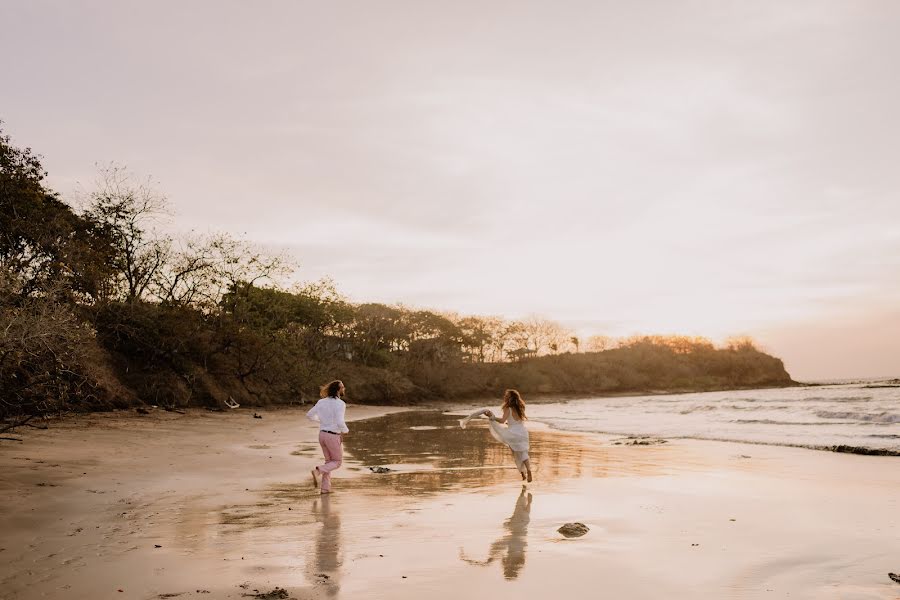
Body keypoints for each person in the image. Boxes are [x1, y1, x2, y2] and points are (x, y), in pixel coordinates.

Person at [460, 389, 533, 482]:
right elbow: (517, 421)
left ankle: (522, 472)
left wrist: (492, 417)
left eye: (506, 395)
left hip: (513, 433)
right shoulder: (521, 407)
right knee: (523, 452)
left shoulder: (508, 408)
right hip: (523, 432)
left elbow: (502, 421)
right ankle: (528, 471)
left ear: (510, 397)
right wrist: (509, 423)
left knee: (516, 453)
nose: (505, 397)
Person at [307, 380, 349, 493]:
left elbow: (309, 415)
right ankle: (318, 471)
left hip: (322, 435)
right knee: (337, 462)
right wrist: (346, 430)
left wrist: (322, 422)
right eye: (342, 387)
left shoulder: (321, 402)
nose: (344, 389)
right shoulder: (340, 404)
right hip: (332, 436)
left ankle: (325, 489)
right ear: (338, 390)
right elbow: (340, 421)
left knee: (329, 462)